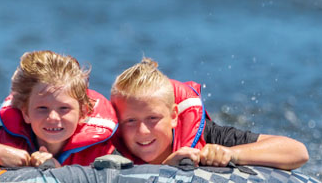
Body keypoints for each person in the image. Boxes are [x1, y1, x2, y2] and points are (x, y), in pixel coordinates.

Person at [0, 50, 117, 174]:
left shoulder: (103, 152)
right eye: (42, 108)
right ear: (26, 113)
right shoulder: (1, 138)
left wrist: (58, 171)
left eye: (64, 108)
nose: (53, 118)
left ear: (83, 112)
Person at [110, 58, 308, 170]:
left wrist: (232, 153)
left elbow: (298, 152)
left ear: (173, 116)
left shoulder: (206, 135)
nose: (143, 131)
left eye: (153, 118)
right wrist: (165, 168)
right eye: (130, 121)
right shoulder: (108, 149)